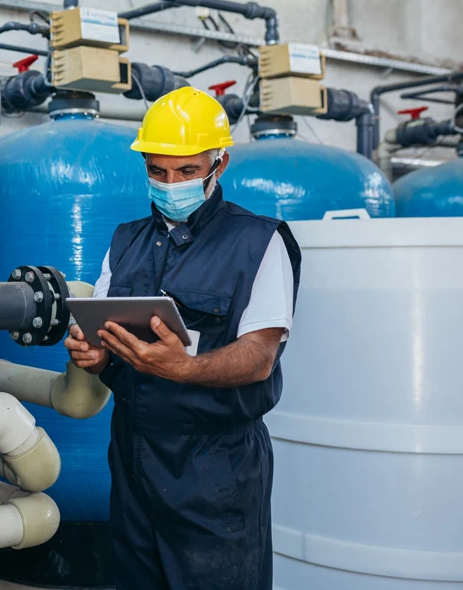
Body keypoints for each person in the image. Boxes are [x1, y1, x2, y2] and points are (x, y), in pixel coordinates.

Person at [65, 86, 302, 590]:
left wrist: (186, 369)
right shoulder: (124, 241)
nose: (171, 183)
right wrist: (94, 353)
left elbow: (260, 357)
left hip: (214, 471)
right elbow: (108, 339)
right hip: (132, 459)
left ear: (220, 164)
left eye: (188, 171)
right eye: (158, 171)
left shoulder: (259, 242)